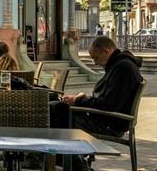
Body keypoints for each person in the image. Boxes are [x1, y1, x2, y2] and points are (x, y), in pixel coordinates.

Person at [50, 36, 143, 170]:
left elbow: (108, 105)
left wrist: (79, 100)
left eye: (95, 58)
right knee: (57, 107)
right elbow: (108, 99)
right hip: (108, 118)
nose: (95, 63)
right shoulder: (120, 65)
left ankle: (75, 163)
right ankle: (72, 159)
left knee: (57, 113)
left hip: (110, 123)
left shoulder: (122, 68)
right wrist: (81, 99)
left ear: (106, 51)